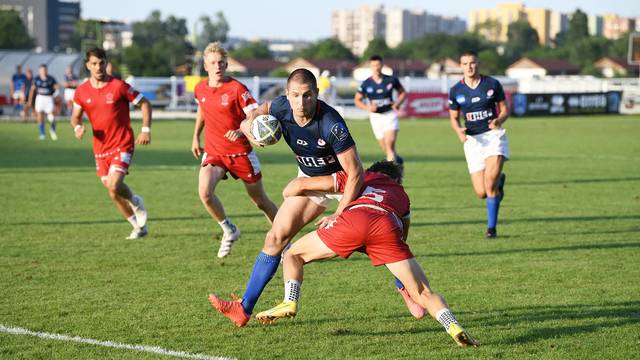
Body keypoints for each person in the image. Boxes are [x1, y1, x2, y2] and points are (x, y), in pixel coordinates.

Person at [208, 69, 423, 327]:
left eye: (307, 95)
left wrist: (340, 213)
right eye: (296, 96)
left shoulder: (331, 123)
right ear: (287, 96)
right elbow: (251, 115)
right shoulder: (279, 106)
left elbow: (355, 173)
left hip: (345, 184)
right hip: (312, 182)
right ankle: (243, 309)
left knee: (380, 239)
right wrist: (250, 131)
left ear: (317, 94)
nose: (301, 102)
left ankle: (406, 288)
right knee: (275, 238)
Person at [254, 161, 479, 347]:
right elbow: (403, 236)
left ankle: (289, 301)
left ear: (373, 171)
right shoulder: (402, 195)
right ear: (397, 181)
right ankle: (453, 327)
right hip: (386, 227)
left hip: (354, 222)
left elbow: (296, 187)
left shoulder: (360, 176)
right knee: (424, 292)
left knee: (294, 255)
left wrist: (296, 192)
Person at [191, 42, 278, 258]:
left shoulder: (237, 89)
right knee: (205, 192)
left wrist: (241, 131)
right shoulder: (200, 88)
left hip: (241, 153)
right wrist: (195, 137)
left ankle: (283, 240)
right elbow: (202, 110)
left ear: (227, 64)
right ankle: (229, 229)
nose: (217, 66)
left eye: (221, 62)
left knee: (260, 202)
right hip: (214, 152)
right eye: (213, 63)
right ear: (205, 65)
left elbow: (254, 114)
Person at [70, 47, 152, 240]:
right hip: (100, 148)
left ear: (106, 63)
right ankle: (137, 227)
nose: (98, 67)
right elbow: (75, 117)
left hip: (122, 143)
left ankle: (135, 201)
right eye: (94, 64)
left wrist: (146, 129)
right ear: (87, 66)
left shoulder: (119, 86)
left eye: (101, 63)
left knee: (115, 185)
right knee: (112, 192)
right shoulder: (81, 92)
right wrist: (78, 126)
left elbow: (145, 103)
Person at [448, 51, 509, 239]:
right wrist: (458, 130)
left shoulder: (492, 84)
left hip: (493, 136)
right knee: (481, 192)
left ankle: (491, 229)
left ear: (478, 64)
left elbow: (505, 109)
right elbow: (453, 118)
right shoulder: (456, 90)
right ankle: (499, 181)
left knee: (489, 186)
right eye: (465, 63)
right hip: (473, 141)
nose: (469, 67)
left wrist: (499, 120)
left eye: (472, 63)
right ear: (461, 66)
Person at [354, 55, 406, 164]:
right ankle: (398, 160)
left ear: (382, 65)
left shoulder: (391, 80)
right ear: (370, 66)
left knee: (389, 145)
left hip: (390, 115)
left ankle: (392, 176)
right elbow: (357, 100)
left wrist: (397, 103)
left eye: (378, 65)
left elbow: (403, 93)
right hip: (375, 118)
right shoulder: (366, 83)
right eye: (373, 65)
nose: (376, 67)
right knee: (386, 149)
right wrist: (368, 108)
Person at [27, 64, 60, 140]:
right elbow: (32, 90)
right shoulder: (36, 79)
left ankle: (52, 130)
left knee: (52, 116)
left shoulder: (51, 78)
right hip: (40, 98)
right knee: (40, 116)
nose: (43, 71)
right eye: (42, 70)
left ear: (46, 70)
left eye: (44, 70)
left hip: (49, 98)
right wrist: (30, 100)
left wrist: (56, 92)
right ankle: (42, 134)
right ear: (39, 71)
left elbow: (57, 86)